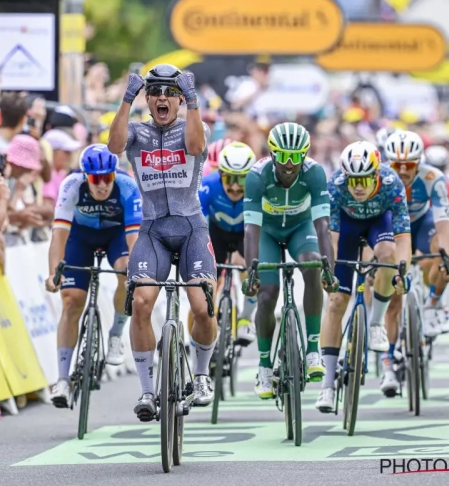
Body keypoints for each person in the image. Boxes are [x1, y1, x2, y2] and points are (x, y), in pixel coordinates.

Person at [107, 63, 218, 421]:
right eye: (155, 93)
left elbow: (197, 145)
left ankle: (201, 376)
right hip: (153, 228)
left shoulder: (193, 125)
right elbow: (114, 145)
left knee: (201, 306)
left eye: (171, 93)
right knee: (140, 302)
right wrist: (127, 99)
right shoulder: (138, 133)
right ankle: (147, 390)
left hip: (191, 228)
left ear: (180, 99)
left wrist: (193, 100)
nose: (162, 99)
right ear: (148, 99)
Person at [242, 123, 338, 397]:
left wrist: (327, 268)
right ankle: (263, 366)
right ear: (272, 154)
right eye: (282, 156)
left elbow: (322, 226)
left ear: (304, 156)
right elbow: (251, 230)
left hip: (300, 229)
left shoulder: (315, 173)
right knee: (267, 293)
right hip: (267, 233)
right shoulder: (257, 176)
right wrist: (253, 273)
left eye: (295, 157)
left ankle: (311, 350)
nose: (288, 164)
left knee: (312, 265)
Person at [315, 141, 412, 413]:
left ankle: (376, 323)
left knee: (387, 253)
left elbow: (403, 234)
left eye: (364, 180)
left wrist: (402, 270)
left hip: (378, 224)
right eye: (353, 180)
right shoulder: (334, 186)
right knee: (335, 303)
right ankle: (328, 384)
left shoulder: (392, 183)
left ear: (376, 175)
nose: (357, 186)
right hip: (345, 228)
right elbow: (330, 239)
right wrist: (329, 272)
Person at [45, 144, 142, 408]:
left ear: (115, 173)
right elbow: (59, 235)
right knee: (71, 301)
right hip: (81, 238)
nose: (102, 185)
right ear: (86, 176)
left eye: (107, 177)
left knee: (126, 269)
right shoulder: (71, 185)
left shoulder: (127, 185)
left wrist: (136, 271)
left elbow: (134, 239)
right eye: (95, 179)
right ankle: (63, 380)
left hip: (116, 236)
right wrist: (55, 272)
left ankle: (115, 334)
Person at [380, 131, 449, 396]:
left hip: (422, 223)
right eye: (396, 164)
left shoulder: (433, 178)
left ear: (419, 162)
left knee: (444, 250)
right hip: (391, 225)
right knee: (392, 298)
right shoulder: (379, 177)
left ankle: (434, 301)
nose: (402, 170)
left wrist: (446, 254)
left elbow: (444, 221)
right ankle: (388, 360)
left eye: (409, 165)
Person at [198, 141, 257, 346]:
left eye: (242, 180)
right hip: (217, 234)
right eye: (230, 179)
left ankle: (245, 319)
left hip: (244, 234)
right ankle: (205, 328)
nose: (234, 186)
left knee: (253, 270)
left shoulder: (259, 188)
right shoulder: (209, 185)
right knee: (206, 283)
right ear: (221, 174)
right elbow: (196, 224)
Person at [424, 144, 449, 331]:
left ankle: (439, 301)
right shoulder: (419, 178)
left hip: (443, 222)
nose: (437, 171)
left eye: (440, 168)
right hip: (423, 223)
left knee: (444, 262)